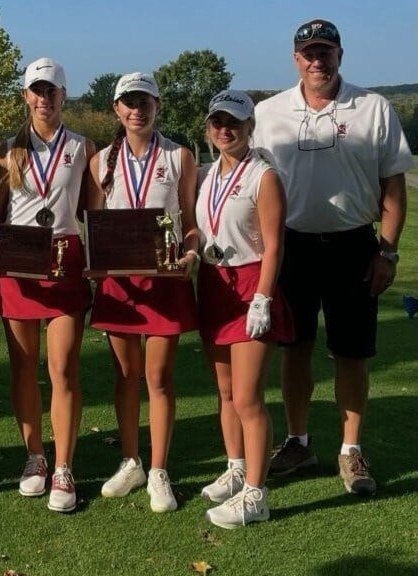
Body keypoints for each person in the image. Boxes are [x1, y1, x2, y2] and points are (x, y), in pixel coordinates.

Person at [253, 19, 413, 495]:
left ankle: (350, 450)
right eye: (309, 53)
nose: (318, 61)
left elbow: (394, 186)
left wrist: (388, 251)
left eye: (326, 52)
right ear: (296, 59)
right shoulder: (268, 111)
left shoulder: (375, 108)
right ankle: (299, 442)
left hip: (354, 246)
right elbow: (254, 185)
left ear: (340, 54)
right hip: (291, 246)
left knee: (351, 351)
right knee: (294, 347)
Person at [0, 58, 94, 513]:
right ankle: (35, 457)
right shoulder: (8, 150)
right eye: (37, 91)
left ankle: (64, 466)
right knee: (23, 367)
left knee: (62, 368)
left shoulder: (85, 148)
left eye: (53, 91)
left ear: (64, 96)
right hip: (18, 262)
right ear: (26, 96)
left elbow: (94, 213)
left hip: (65, 261)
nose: (44, 98)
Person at [85, 73, 199, 513]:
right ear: (116, 108)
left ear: (157, 105)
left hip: (165, 280)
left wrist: (190, 254)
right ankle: (130, 461)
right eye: (128, 102)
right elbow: (94, 225)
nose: (137, 109)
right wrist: (93, 268)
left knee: (160, 378)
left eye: (144, 101)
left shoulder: (180, 156)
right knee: (125, 377)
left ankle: (158, 470)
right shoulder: (99, 162)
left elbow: (189, 223)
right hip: (119, 283)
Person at [196, 90, 294, 528]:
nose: (225, 129)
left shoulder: (263, 175)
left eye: (234, 121)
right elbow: (203, 230)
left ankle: (257, 494)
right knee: (227, 393)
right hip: (215, 285)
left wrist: (263, 298)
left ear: (250, 126)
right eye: (217, 121)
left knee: (249, 397)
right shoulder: (208, 173)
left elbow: (275, 245)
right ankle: (236, 468)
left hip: (251, 284)